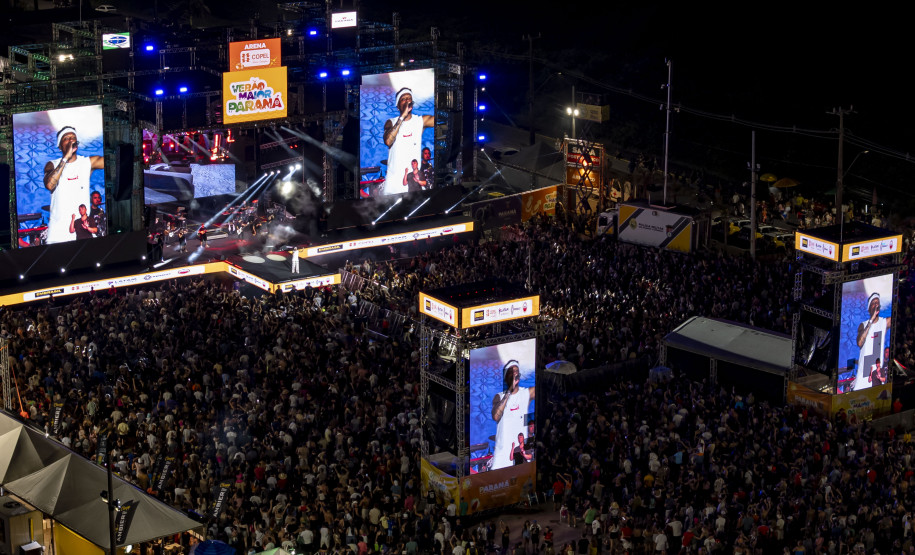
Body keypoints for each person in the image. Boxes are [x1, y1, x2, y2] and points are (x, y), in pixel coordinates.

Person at [43, 126, 104, 244]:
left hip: (83, 232)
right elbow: (49, 185)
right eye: (66, 138)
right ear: (60, 146)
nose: (71, 140)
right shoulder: (52, 164)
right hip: (59, 233)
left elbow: (114, 159)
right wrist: (66, 158)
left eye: (73, 137)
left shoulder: (87, 162)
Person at [382, 87, 434, 195]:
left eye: (409, 98)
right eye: (403, 99)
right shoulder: (391, 122)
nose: (407, 101)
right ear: (398, 106)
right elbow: (388, 141)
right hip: (394, 185)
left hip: (414, 184)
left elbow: (441, 119)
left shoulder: (420, 121)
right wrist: (402, 117)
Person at [491, 360, 535, 471]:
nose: (515, 373)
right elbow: (496, 416)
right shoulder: (499, 396)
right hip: (503, 455)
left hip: (520, 454)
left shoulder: (525, 393)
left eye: (517, 371)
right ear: (506, 376)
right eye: (512, 371)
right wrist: (510, 390)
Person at [854, 292, 889, 391]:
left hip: (877, 374)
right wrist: (871, 321)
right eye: (873, 302)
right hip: (864, 372)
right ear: (869, 308)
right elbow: (859, 343)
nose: (876, 304)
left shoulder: (884, 322)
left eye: (877, 302)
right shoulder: (863, 325)